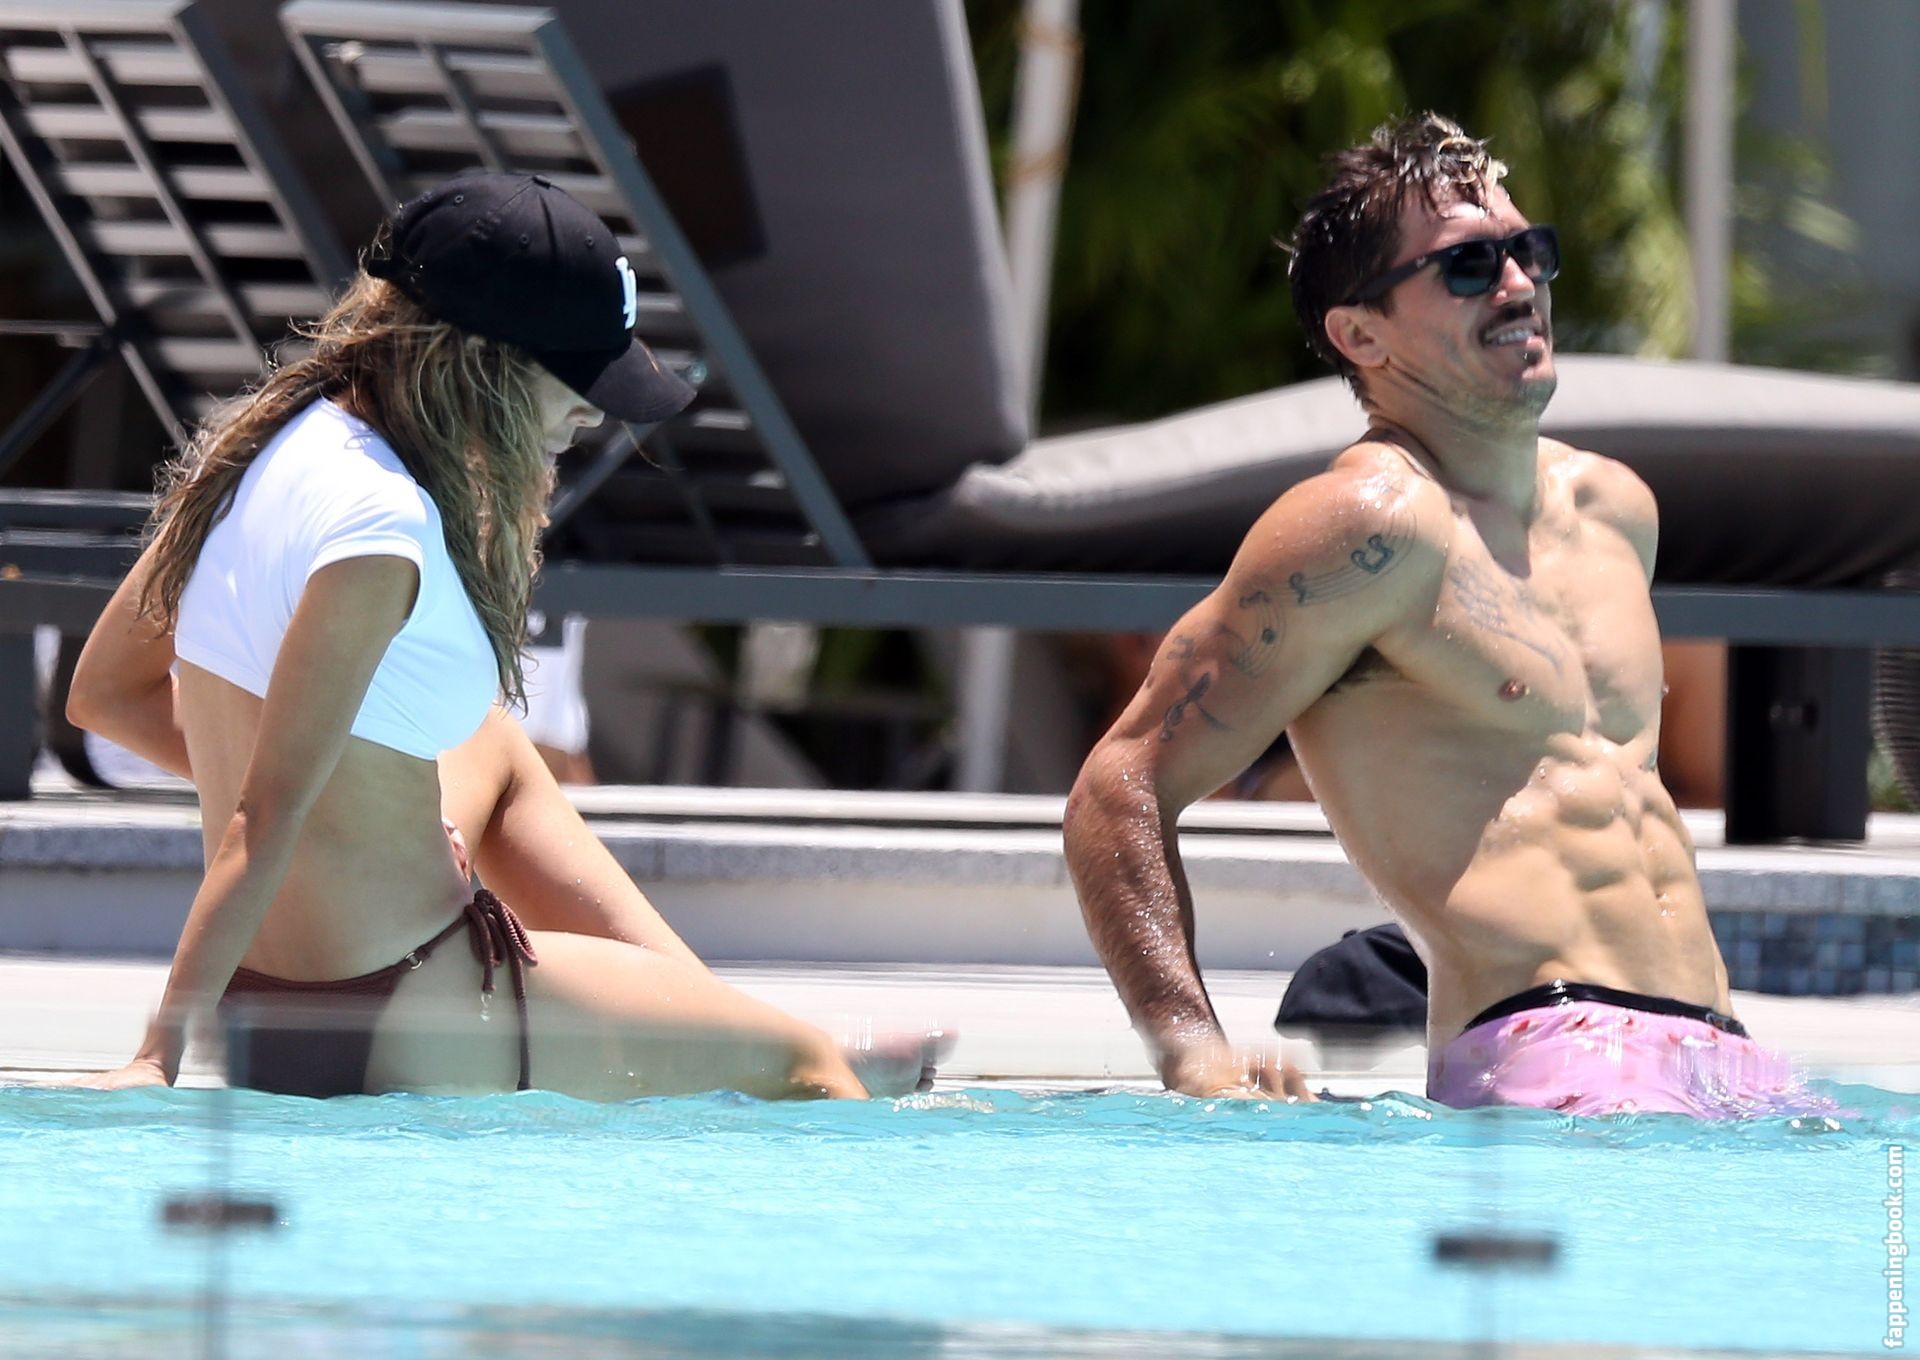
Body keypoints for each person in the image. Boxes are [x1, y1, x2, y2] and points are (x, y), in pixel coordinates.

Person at [67, 171, 943, 1100]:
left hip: (293, 1000)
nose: (595, 412)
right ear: (481, 363)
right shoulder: (383, 529)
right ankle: (778, 1051)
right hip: (411, 999)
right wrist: (156, 1056)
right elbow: (266, 815)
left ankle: (711, 1020)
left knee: (491, 745)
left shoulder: (265, 443)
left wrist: (345, 825)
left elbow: (106, 694)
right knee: (807, 1073)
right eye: (578, 380)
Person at [1062, 113, 1829, 1119]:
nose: (1517, 284)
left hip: (1723, 1047)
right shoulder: (1369, 525)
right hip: (1548, 1042)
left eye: (1528, 251)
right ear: (1362, 334)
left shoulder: (1615, 509)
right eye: (1467, 265)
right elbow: (1119, 787)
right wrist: (1193, 1053)